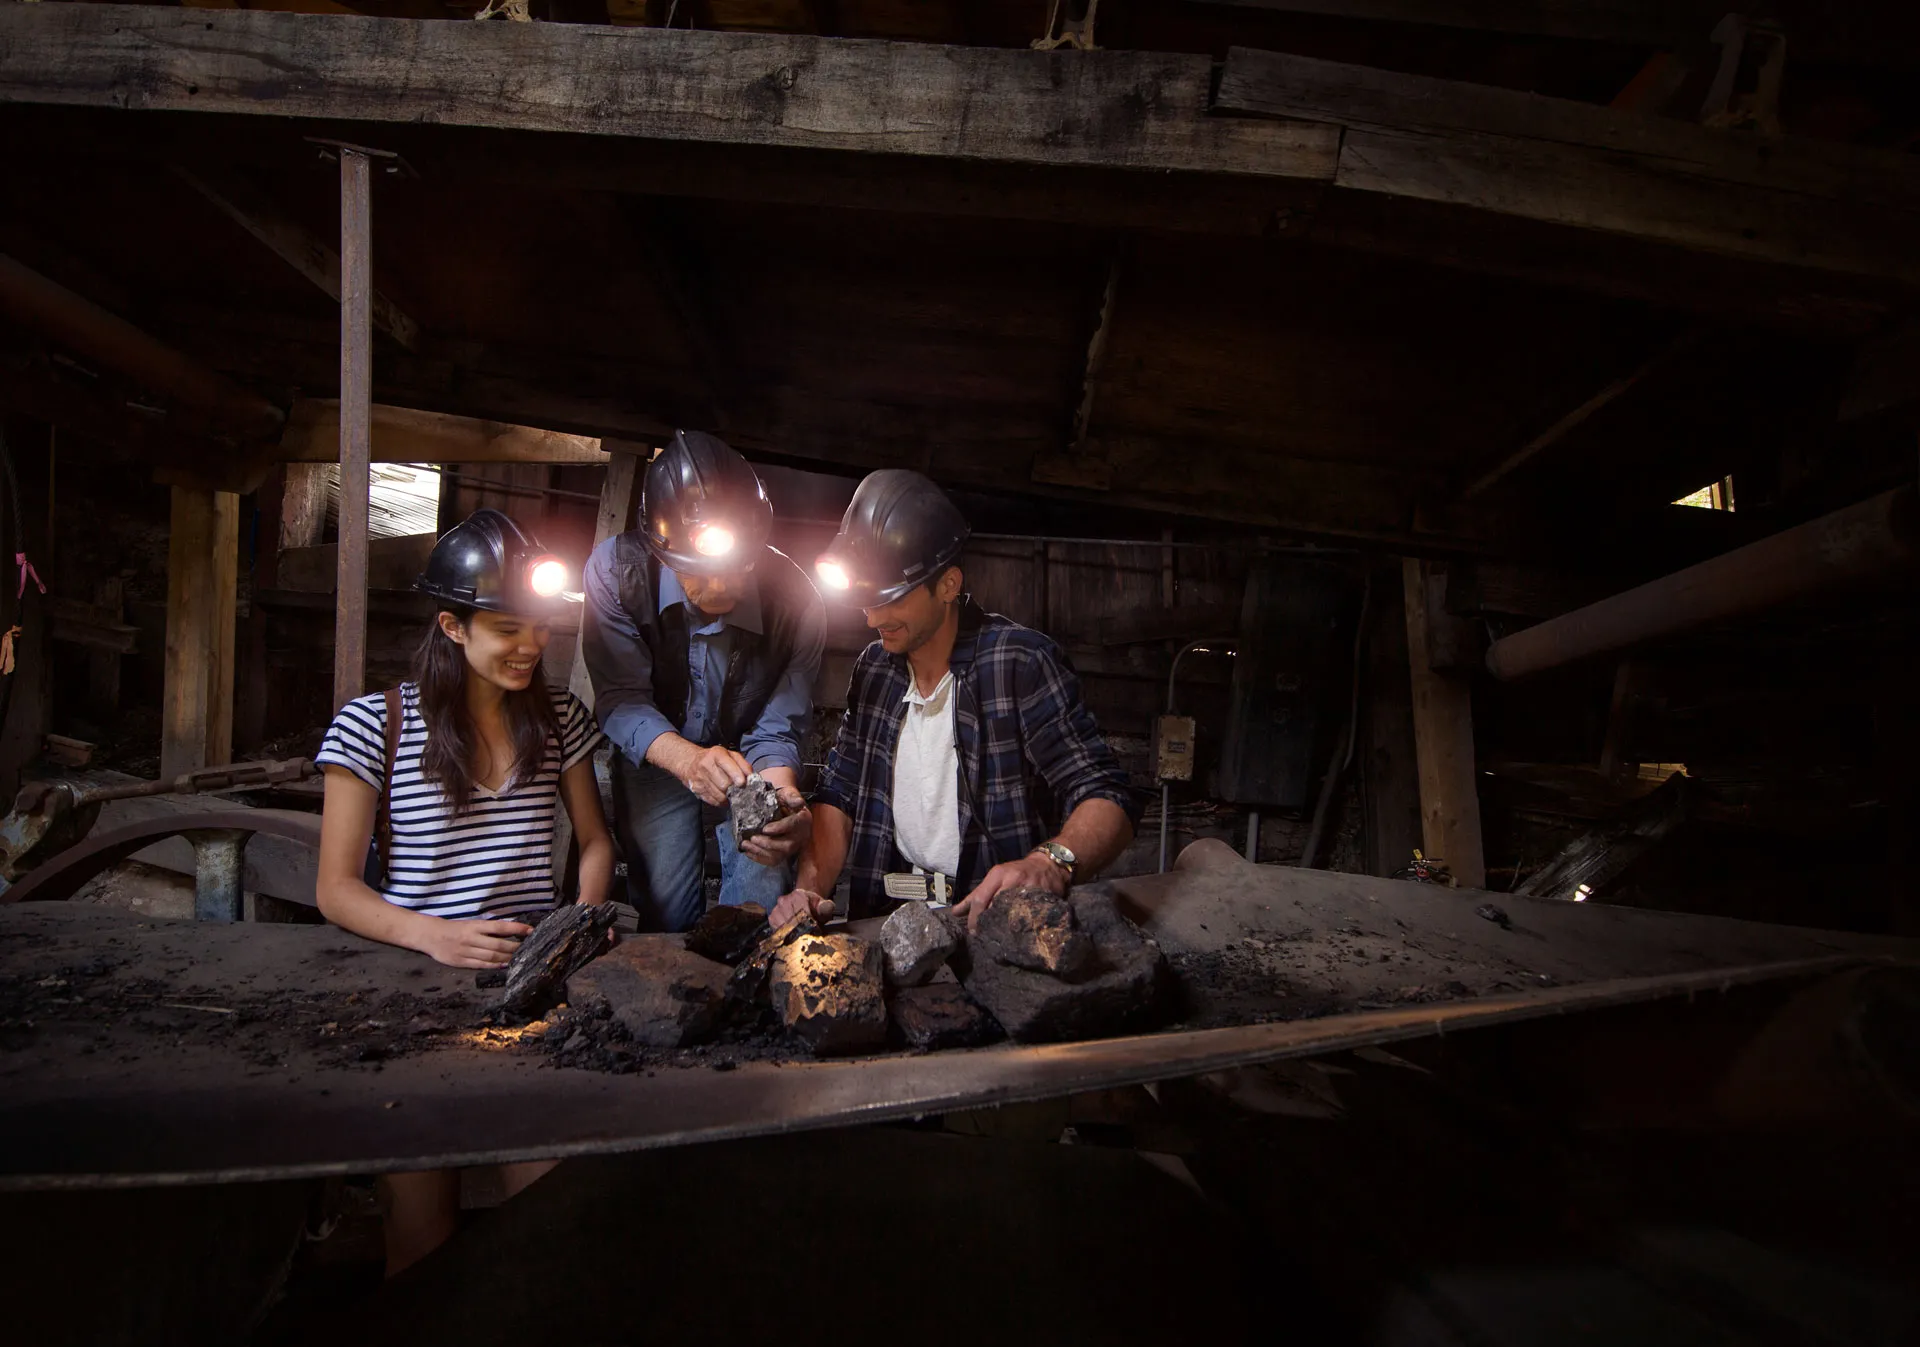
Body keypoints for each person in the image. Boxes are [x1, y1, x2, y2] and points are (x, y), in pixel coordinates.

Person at [313, 508, 614, 1275]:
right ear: (451, 625)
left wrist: (575, 927)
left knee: (543, 1219)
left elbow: (595, 840)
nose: (531, 646)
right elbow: (336, 890)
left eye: (540, 626)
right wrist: (430, 933)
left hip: (527, 986)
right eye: (507, 628)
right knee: (420, 1235)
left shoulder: (559, 718)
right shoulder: (370, 726)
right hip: (415, 990)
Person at [771, 470, 1138, 932]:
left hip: (989, 920)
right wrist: (809, 889)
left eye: (892, 598)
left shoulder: (1018, 662)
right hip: (889, 914)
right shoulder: (875, 671)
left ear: (947, 585)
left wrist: (1051, 862)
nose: (873, 617)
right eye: (867, 598)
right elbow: (839, 795)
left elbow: (1106, 794)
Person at [582, 430, 824, 932]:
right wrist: (689, 761)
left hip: (749, 764)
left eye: (735, 568)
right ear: (662, 551)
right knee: (665, 912)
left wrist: (783, 807)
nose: (719, 586)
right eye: (698, 572)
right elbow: (622, 699)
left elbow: (777, 729)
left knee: (754, 903)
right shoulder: (616, 572)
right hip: (659, 755)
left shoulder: (798, 603)